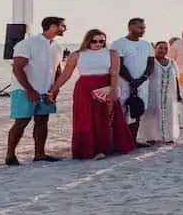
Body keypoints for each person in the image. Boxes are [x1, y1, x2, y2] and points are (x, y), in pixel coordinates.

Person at [48, 28, 136, 160]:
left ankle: (105, 148)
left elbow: (114, 73)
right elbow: (66, 74)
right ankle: (86, 150)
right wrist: (53, 89)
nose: (98, 44)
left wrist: (113, 89)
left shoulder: (111, 53)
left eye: (102, 41)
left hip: (105, 86)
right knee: (85, 118)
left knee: (106, 118)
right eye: (94, 41)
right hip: (84, 89)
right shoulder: (76, 54)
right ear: (88, 41)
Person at [6, 16, 67, 165]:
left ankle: (40, 154)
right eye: (62, 26)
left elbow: (58, 68)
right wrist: (29, 89)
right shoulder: (28, 44)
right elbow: (17, 68)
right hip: (24, 90)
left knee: (42, 121)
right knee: (21, 121)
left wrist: (54, 90)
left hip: (46, 91)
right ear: (52, 26)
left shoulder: (57, 46)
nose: (65, 29)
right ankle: (10, 155)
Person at [112, 18, 154, 147]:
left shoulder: (146, 44)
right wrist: (131, 81)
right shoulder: (118, 43)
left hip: (142, 84)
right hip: (124, 83)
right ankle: (120, 141)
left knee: (137, 111)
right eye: (140, 27)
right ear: (130, 27)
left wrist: (142, 79)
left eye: (144, 28)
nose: (143, 30)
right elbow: (119, 64)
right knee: (123, 110)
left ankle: (133, 140)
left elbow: (151, 63)